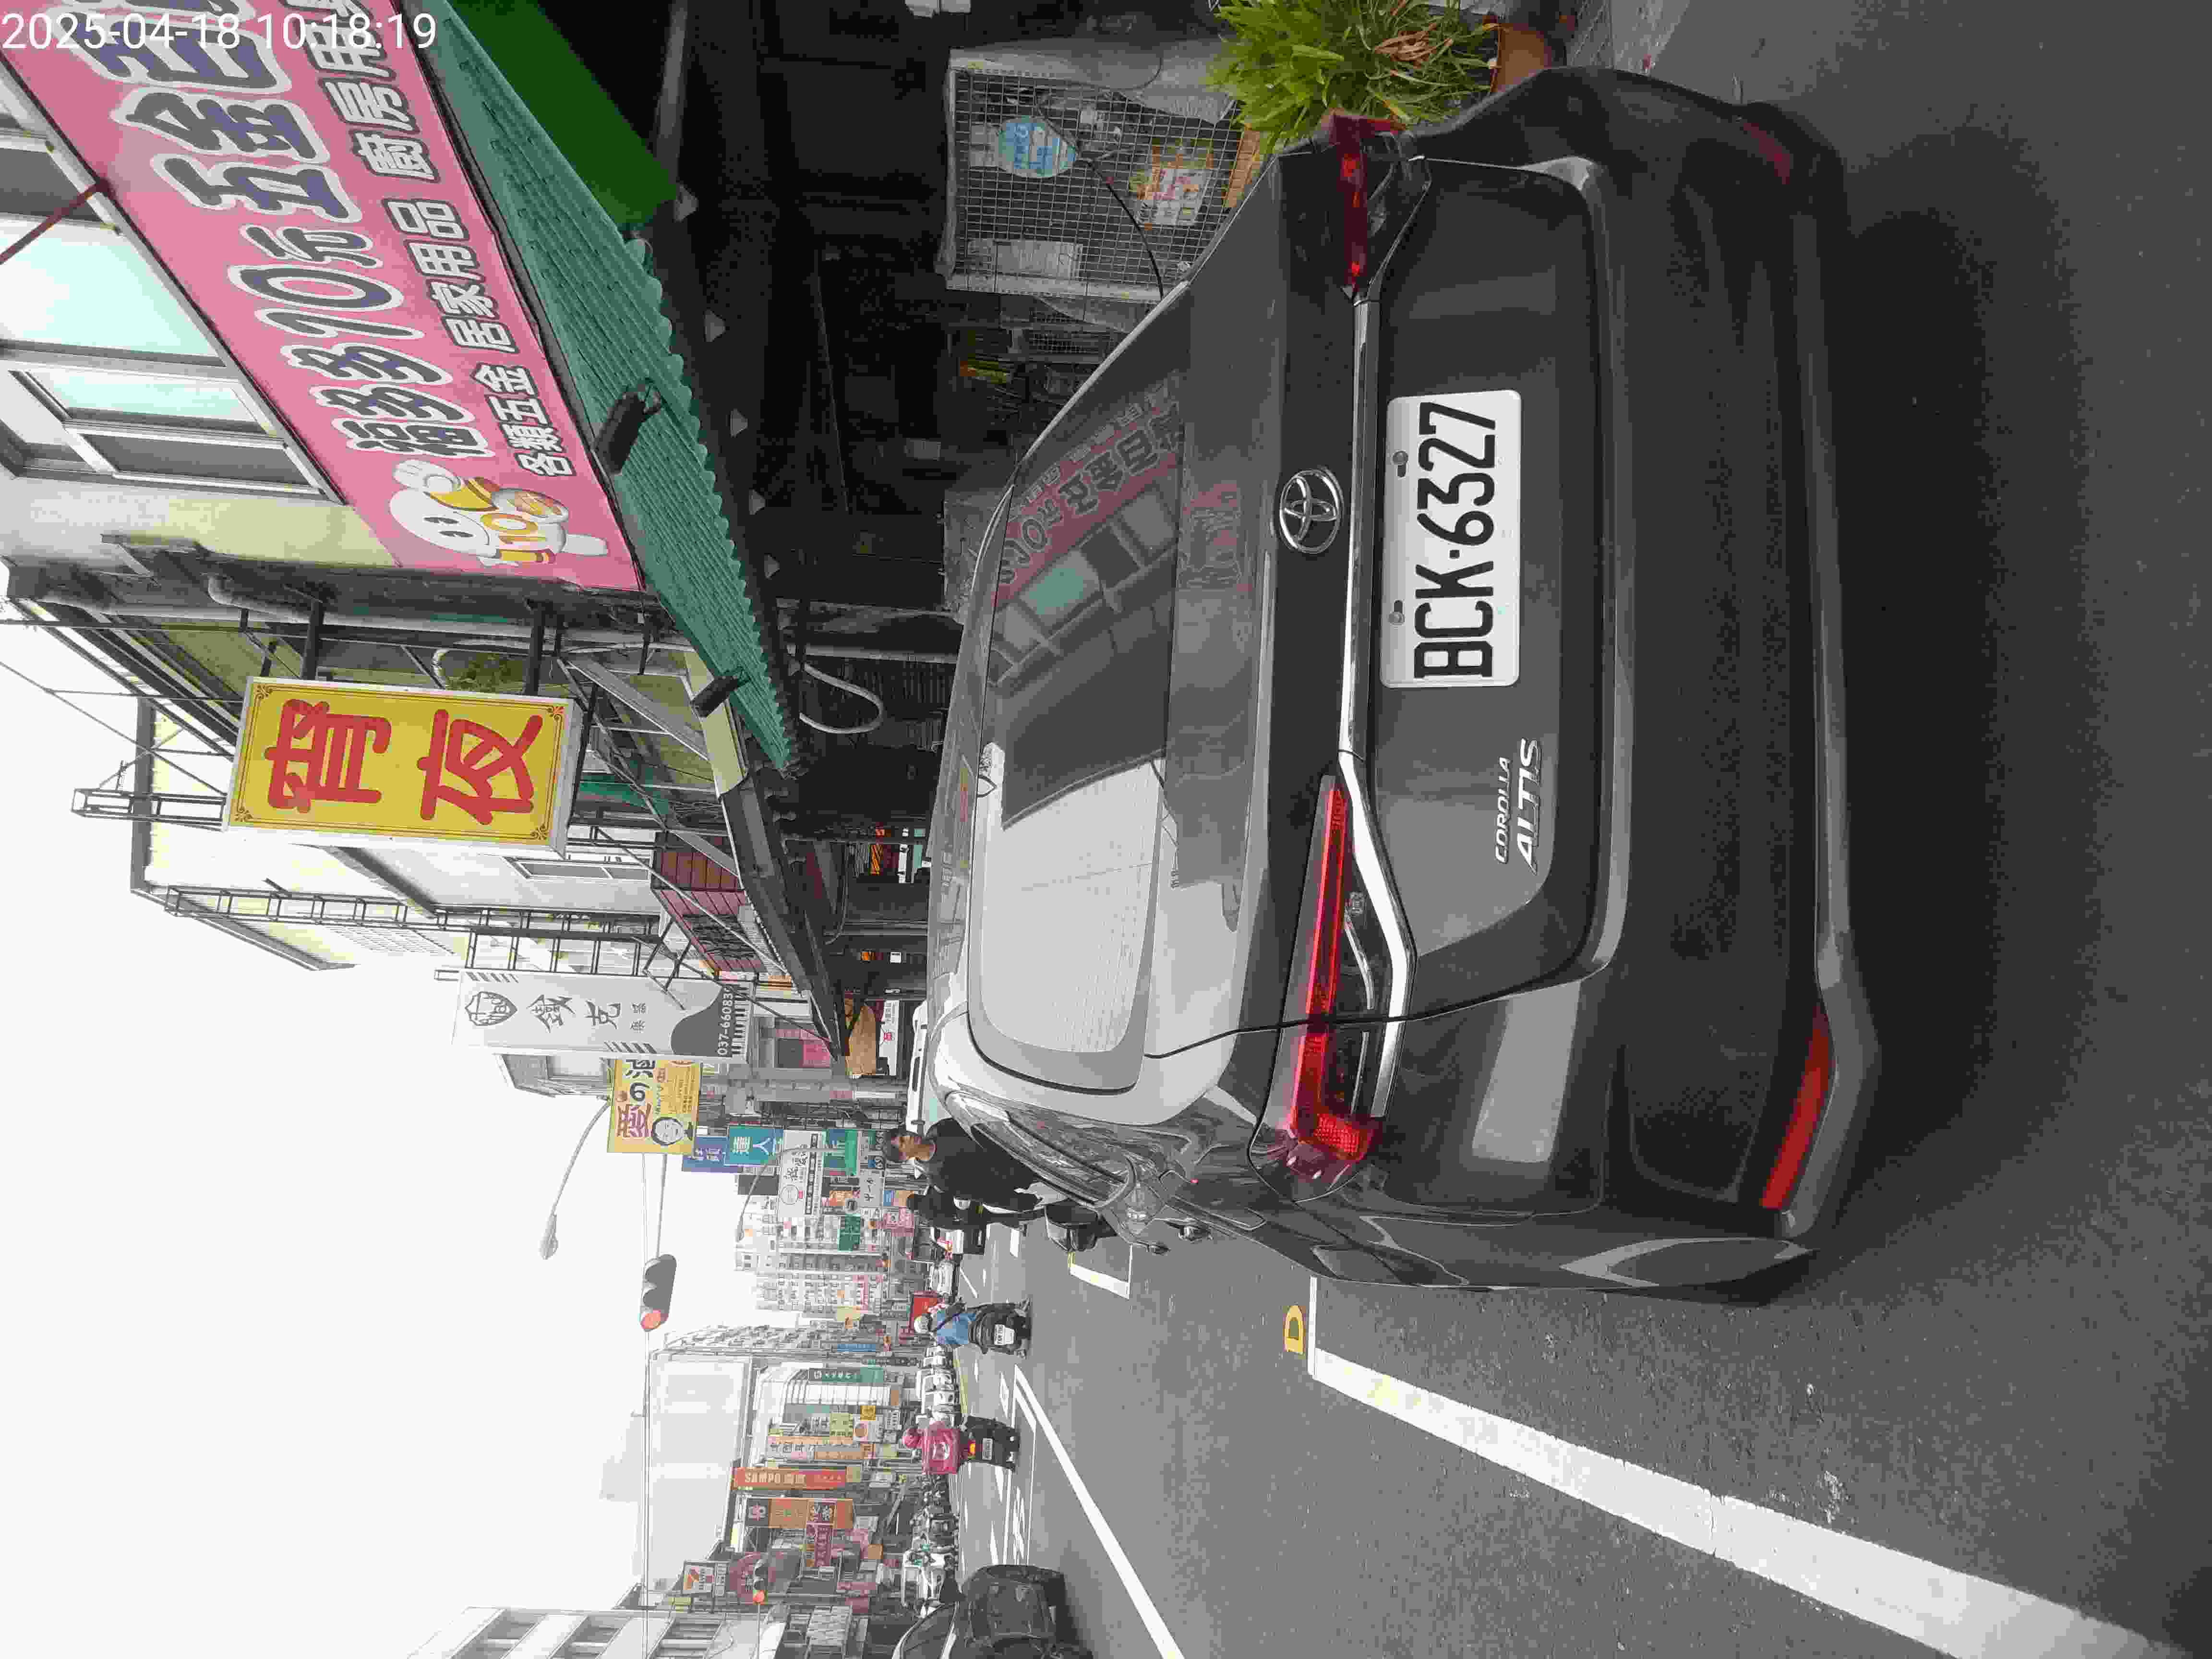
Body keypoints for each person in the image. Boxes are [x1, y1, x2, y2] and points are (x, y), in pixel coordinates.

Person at [891, 1124, 1062, 1211]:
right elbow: (984, 1193)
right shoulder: (939, 1177)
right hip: (1022, 1172)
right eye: (903, 1141)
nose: (909, 1136)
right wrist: (1022, 1203)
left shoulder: (940, 1129)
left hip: (1021, 1140)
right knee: (1063, 1170)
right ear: (903, 1157)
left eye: (904, 1133)